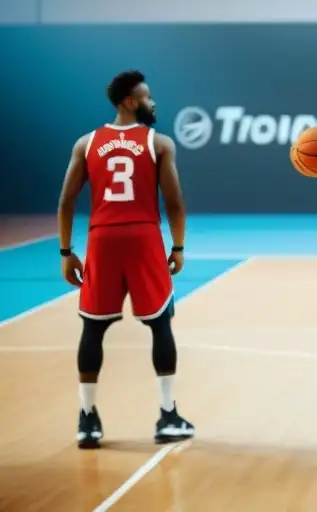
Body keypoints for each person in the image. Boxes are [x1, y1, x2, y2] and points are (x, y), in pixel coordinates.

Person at [57, 70, 195, 449]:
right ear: (130, 102)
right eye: (147, 97)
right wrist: (178, 247)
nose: (153, 102)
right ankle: (168, 416)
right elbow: (175, 203)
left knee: (93, 328)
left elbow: (66, 201)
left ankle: (87, 421)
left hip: (102, 239)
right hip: (143, 237)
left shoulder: (87, 143)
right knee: (160, 324)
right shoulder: (159, 143)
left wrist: (67, 252)